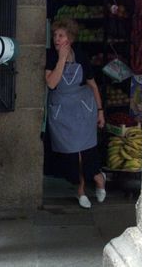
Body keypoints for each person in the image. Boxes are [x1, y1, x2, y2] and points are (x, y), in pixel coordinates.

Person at [45, 19, 106, 209]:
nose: (56, 39)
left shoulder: (81, 55)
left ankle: (98, 179)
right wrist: (61, 59)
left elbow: (93, 85)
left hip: (82, 109)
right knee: (72, 154)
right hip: (62, 112)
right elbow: (51, 83)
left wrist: (100, 111)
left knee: (85, 151)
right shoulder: (50, 56)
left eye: (61, 35)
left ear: (70, 38)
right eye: (55, 35)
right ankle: (80, 189)